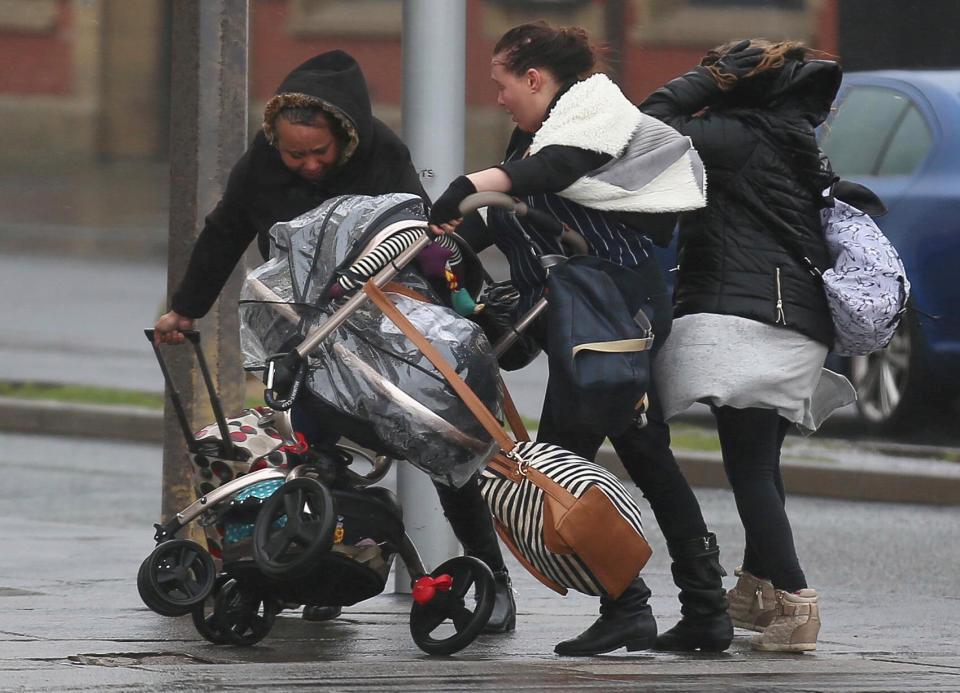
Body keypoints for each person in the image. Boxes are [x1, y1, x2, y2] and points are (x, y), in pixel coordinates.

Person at [153, 49, 516, 632]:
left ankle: (491, 579)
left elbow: (412, 232)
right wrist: (185, 309)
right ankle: (322, 567)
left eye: (318, 153)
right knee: (315, 455)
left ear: (343, 136)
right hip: (312, 335)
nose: (309, 166)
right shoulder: (261, 167)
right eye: (294, 155)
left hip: (389, 326)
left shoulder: (382, 153)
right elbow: (224, 234)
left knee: (445, 454)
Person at [429, 22, 732, 656]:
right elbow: (511, 216)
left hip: (612, 317)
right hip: (600, 316)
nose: (500, 97)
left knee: (552, 473)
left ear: (534, 77)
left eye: (503, 84)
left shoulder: (596, 119)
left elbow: (551, 175)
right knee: (647, 455)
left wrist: (471, 186)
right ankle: (704, 607)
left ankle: (628, 605)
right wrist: (435, 245)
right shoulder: (542, 135)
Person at [639, 39, 855, 652]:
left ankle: (796, 602)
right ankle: (759, 592)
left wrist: (704, 79)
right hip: (791, 322)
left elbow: (648, 126)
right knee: (760, 461)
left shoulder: (737, 138)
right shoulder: (787, 137)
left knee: (751, 466)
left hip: (749, 321)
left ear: (740, 88)